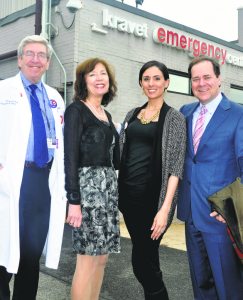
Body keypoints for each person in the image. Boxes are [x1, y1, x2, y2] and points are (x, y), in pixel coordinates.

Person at [0, 35, 66, 299]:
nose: (35, 60)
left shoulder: (54, 98)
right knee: (3, 253)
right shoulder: (3, 90)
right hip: (10, 181)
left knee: (31, 255)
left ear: (48, 63)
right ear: (19, 60)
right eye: (30, 53)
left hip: (42, 183)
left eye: (41, 55)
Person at [118, 60, 187, 300]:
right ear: (140, 83)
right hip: (129, 200)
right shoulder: (132, 114)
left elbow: (176, 168)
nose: (151, 83)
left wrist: (165, 209)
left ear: (167, 82)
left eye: (157, 78)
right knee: (149, 261)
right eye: (146, 79)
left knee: (142, 264)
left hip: (154, 203)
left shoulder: (175, 119)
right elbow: (122, 155)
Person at [177, 56, 243, 300]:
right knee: (201, 282)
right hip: (191, 212)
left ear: (219, 79)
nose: (201, 83)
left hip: (220, 216)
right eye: (196, 79)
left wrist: (231, 206)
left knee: (228, 284)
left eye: (207, 77)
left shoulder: (237, 114)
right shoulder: (186, 112)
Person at [64, 57, 120, 300]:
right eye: (93, 74)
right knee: (86, 262)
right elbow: (70, 158)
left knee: (101, 260)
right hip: (87, 192)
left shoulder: (106, 114)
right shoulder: (76, 110)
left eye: (103, 74)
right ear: (83, 81)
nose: (100, 78)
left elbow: (114, 160)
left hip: (107, 191)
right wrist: (73, 200)